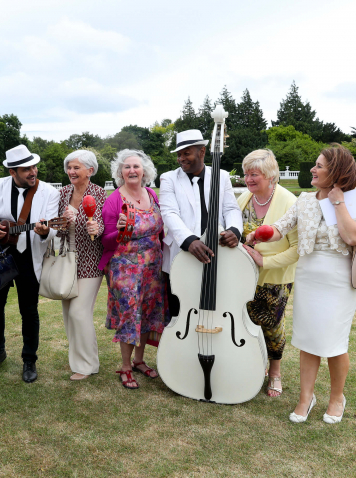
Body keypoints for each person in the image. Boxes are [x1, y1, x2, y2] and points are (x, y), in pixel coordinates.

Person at [246, 145, 356, 424]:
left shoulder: (353, 200)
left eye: (320, 166)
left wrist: (338, 202)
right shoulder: (304, 200)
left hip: (339, 278)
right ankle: (305, 398)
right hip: (309, 275)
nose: (313, 169)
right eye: (315, 164)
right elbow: (281, 228)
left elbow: (352, 238)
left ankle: (337, 398)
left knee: (335, 343)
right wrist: (262, 234)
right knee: (308, 340)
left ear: (336, 171)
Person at [0, 145, 60, 383]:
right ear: (12, 172)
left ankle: (29, 360)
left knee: (29, 310)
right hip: (0, 254)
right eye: (26, 169)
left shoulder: (48, 192)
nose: (33, 172)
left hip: (29, 257)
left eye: (34, 166)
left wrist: (46, 231)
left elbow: (53, 227)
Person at [100, 149, 168, 390]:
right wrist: (118, 230)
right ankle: (126, 366)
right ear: (120, 172)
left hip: (153, 266)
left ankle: (140, 360)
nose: (131, 170)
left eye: (136, 167)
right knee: (129, 314)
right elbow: (105, 241)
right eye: (127, 167)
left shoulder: (152, 194)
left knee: (148, 311)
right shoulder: (114, 200)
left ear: (144, 172)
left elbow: (160, 231)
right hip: (125, 267)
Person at [158, 129, 243, 318]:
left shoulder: (221, 176)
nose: (181, 158)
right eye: (179, 154)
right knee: (181, 313)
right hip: (181, 254)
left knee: (218, 307)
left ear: (202, 152)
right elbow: (169, 213)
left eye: (186, 153)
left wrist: (235, 230)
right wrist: (189, 241)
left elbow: (231, 209)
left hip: (218, 253)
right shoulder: (168, 178)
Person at [236, 149, 299, 397]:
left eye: (254, 174)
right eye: (246, 174)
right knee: (247, 323)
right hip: (243, 276)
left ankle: (274, 373)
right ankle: (255, 364)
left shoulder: (288, 202)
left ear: (270, 175)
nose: (248, 179)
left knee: (272, 326)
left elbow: (297, 250)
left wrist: (265, 260)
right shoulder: (244, 199)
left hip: (275, 277)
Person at [56, 150, 106, 381]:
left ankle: (88, 364)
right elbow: (59, 228)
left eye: (76, 168)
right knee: (68, 314)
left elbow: (104, 225)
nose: (71, 172)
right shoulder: (63, 193)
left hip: (91, 260)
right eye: (69, 167)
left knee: (79, 312)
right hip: (68, 260)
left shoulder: (99, 194)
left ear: (90, 170)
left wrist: (96, 227)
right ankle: (77, 360)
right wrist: (64, 222)